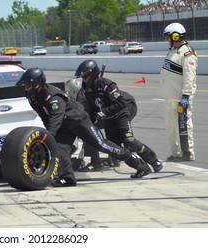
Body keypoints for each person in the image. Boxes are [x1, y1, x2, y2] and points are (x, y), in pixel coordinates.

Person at [15, 68, 152, 187]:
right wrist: (50, 137)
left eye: (27, 85)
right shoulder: (33, 97)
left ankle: (140, 165)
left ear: (37, 84)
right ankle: (67, 179)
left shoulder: (53, 97)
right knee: (60, 148)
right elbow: (45, 117)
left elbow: (55, 118)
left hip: (79, 121)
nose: (25, 88)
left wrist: (47, 136)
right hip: (65, 125)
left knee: (102, 145)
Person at [74, 59, 163, 173]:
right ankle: (105, 161)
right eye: (83, 78)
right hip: (109, 121)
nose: (84, 80)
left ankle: (154, 161)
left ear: (92, 75)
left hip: (121, 115)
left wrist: (104, 112)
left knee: (129, 140)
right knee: (112, 147)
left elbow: (121, 103)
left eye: (86, 77)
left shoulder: (107, 85)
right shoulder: (87, 91)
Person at [159, 22, 197, 162]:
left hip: (180, 98)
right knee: (171, 128)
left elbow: (189, 76)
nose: (167, 40)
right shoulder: (173, 51)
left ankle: (187, 153)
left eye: (168, 37)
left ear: (175, 36)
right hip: (169, 97)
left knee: (183, 127)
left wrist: (186, 96)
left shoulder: (187, 53)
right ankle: (176, 153)